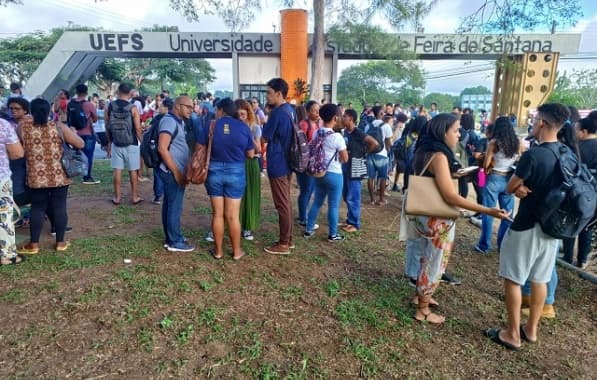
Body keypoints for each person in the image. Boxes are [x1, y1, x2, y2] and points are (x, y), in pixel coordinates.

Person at [407, 113, 509, 324]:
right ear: (442, 132)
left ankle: (421, 295)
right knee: (434, 262)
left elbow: (436, 178)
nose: (459, 134)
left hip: (425, 215)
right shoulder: (439, 156)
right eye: (455, 130)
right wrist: (487, 210)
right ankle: (423, 309)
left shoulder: (424, 150)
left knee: (426, 256)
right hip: (438, 219)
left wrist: (457, 175)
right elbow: (450, 196)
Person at [485, 103, 570, 350]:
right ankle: (531, 330)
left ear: (542, 122)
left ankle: (512, 333)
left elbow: (510, 187)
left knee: (513, 279)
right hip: (551, 228)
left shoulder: (534, 154)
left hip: (527, 226)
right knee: (540, 279)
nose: (532, 123)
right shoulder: (566, 153)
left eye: (534, 119)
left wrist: (518, 188)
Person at [17, 98, 84, 254]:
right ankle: (60, 242)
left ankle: (33, 245)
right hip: (59, 175)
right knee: (60, 207)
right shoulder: (58, 127)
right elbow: (80, 144)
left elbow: (18, 147)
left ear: (30, 111)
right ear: (49, 110)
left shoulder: (22, 127)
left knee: (37, 208)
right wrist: (72, 133)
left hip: (35, 176)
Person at [200, 98, 254, 259]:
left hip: (214, 171)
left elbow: (199, 147)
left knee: (217, 214)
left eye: (217, 110)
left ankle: (218, 252)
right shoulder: (244, 128)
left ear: (222, 110)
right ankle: (237, 252)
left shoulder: (211, 125)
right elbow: (250, 153)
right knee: (232, 216)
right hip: (236, 171)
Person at [473, 116, 519, 254]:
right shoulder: (517, 143)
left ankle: (484, 245)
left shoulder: (494, 142)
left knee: (488, 213)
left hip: (493, 178)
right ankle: (502, 245)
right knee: (508, 214)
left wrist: (482, 157)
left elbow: (486, 164)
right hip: (509, 179)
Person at [304, 104, 348, 241]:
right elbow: (345, 158)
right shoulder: (337, 137)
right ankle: (332, 234)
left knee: (317, 201)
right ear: (335, 117)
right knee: (333, 205)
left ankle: (309, 229)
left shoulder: (318, 132)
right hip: (334, 174)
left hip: (319, 172)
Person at [260, 78, 295, 255]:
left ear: (279, 94)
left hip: (278, 162)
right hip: (287, 162)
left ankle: (283, 243)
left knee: (282, 204)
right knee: (286, 202)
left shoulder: (277, 113)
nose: (267, 96)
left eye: (269, 92)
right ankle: (288, 239)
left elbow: (264, 138)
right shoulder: (289, 110)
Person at [157, 96, 194, 252]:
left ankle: (171, 237)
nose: (191, 110)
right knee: (175, 206)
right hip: (171, 170)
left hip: (174, 169)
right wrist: (177, 172)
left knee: (171, 204)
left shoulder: (178, 121)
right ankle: (175, 241)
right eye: (188, 107)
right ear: (178, 106)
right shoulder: (169, 121)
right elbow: (162, 148)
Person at [562, 116, 596, 269]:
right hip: (593, 195)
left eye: (576, 129)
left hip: (575, 192)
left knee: (570, 222)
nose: (574, 132)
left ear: (584, 131)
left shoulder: (576, 147)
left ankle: (568, 258)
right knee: (587, 225)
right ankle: (582, 260)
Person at [105, 83, 144, 205]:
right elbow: (137, 128)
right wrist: (142, 142)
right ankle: (134, 196)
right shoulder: (133, 108)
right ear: (130, 93)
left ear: (118, 91)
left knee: (117, 170)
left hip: (116, 142)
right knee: (133, 170)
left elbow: (107, 127)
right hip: (131, 142)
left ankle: (117, 197)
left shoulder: (109, 106)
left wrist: (109, 143)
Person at [341, 109, 378, 232]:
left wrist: (364, 153)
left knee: (353, 196)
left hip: (355, 168)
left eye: (344, 116)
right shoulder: (346, 132)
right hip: (346, 166)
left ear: (351, 118)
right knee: (346, 194)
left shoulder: (358, 132)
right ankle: (350, 219)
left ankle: (354, 223)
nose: (342, 118)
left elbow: (374, 143)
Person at [0, 118, 25, 265]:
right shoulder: (2, 124)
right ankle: (7, 255)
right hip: (1, 178)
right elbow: (17, 153)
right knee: (3, 216)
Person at [236, 98, 261, 241]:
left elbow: (258, 148)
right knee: (236, 196)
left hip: (251, 163)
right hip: (236, 162)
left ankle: (248, 227)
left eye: (243, 114)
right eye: (238, 115)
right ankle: (236, 223)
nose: (240, 118)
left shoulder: (254, 127)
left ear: (248, 114)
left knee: (250, 194)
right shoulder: (232, 126)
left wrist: (247, 133)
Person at [296, 100, 321, 227]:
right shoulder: (304, 125)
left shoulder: (316, 124)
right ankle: (303, 218)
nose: (317, 113)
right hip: (305, 163)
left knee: (308, 190)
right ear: (307, 111)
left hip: (312, 162)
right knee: (306, 190)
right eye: (314, 110)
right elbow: (301, 145)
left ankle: (302, 214)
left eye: (318, 110)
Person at [70, 84, 100, 184]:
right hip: (87, 133)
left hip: (73, 134)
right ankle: (87, 177)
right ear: (86, 92)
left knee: (75, 155)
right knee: (88, 155)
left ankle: (72, 174)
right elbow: (95, 118)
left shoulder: (71, 103)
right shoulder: (89, 104)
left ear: (76, 92)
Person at [366, 106, 393, 205]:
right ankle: (381, 199)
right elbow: (388, 142)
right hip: (382, 154)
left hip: (370, 153)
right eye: (383, 112)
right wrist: (388, 149)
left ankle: (372, 199)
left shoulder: (368, 126)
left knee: (370, 177)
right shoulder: (386, 126)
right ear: (380, 114)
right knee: (382, 177)